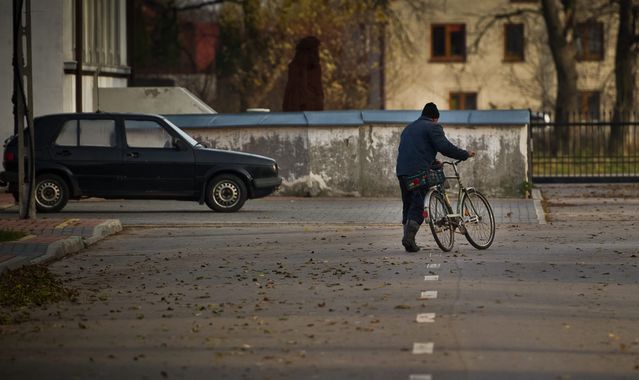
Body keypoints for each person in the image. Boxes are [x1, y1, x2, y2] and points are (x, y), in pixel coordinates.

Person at [396, 102, 475, 252]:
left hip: (402, 171)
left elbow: (415, 150)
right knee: (419, 202)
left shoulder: (409, 128)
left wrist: (432, 162)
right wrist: (464, 154)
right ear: (435, 118)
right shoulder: (433, 127)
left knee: (408, 202)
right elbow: (445, 147)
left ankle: (408, 238)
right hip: (418, 172)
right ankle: (409, 238)